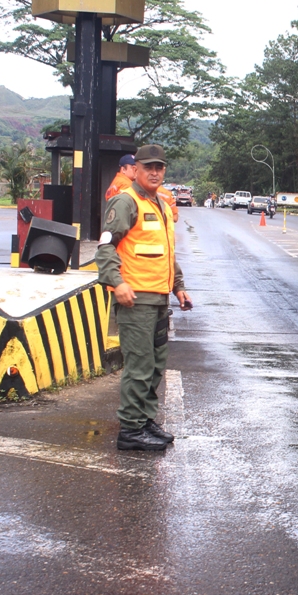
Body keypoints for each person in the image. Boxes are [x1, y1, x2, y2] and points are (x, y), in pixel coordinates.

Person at [95, 144, 192, 452]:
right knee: (139, 365)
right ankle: (131, 430)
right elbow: (106, 248)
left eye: (159, 167)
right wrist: (117, 283)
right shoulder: (126, 202)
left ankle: (145, 419)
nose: (154, 172)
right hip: (134, 299)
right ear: (134, 169)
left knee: (155, 365)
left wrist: (178, 286)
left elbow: (167, 253)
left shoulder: (162, 205)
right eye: (148, 167)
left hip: (159, 299)